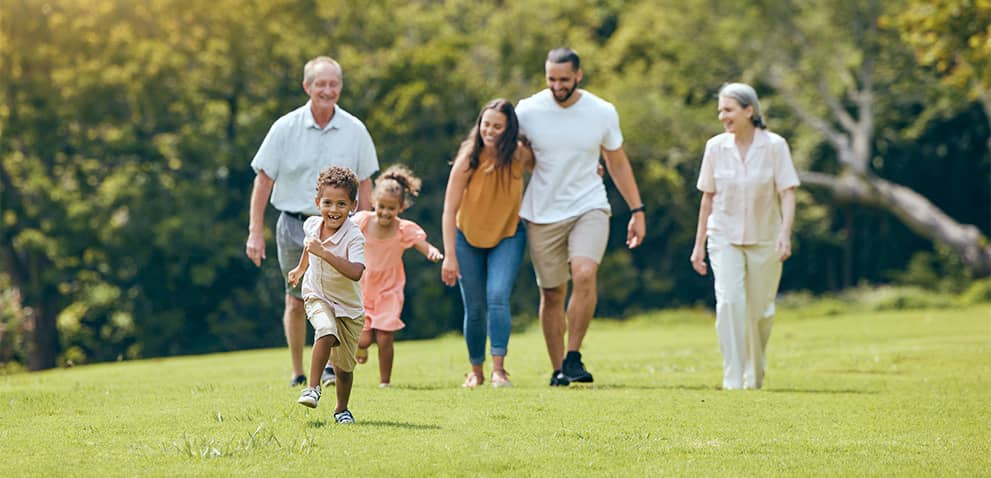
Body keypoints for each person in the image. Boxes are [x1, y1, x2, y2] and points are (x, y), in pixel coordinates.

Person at [246, 56, 379, 388]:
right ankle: (297, 372)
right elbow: (263, 181)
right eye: (321, 84)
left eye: (334, 84)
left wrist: (366, 226)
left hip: (344, 227)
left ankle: (333, 369)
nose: (328, 90)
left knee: (339, 295)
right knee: (296, 297)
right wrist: (254, 233)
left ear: (340, 88)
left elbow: (365, 184)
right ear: (307, 87)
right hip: (294, 225)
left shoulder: (355, 130)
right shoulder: (284, 128)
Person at [516, 47, 646, 386]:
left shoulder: (602, 111)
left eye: (564, 79)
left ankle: (573, 355)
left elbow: (617, 162)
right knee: (552, 293)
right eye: (551, 79)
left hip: (590, 204)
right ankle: (559, 369)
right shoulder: (527, 110)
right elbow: (516, 158)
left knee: (585, 273)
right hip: (542, 212)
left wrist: (637, 209)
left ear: (578, 75)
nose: (557, 86)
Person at [689, 82, 799, 390]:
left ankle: (755, 372)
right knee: (729, 302)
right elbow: (707, 199)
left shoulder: (775, 146)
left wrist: (784, 234)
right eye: (720, 111)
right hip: (723, 236)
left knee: (760, 311)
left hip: (766, 238)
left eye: (729, 110)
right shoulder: (715, 147)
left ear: (749, 111)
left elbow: (787, 193)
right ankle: (733, 377)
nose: (723, 116)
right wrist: (699, 246)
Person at [441, 99, 534, 388]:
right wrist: (449, 256)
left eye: (497, 126)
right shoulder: (468, 158)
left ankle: (499, 370)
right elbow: (449, 209)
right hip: (467, 238)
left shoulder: (519, 155)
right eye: (486, 124)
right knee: (475, 307)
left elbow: (554, 167)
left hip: (507, 235)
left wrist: (592, 170)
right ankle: (476, 371)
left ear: (509, 130)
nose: (490, 131)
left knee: (496, 296)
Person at [352, 165, 443, 387]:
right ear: (374, 201)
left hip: (389, 289)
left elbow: (421, 244)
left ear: (400, 207)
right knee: (363, 338)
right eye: (381, 206)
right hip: (363, 286)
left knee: (385, 335)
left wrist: (431, 251)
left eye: (391, 208)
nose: (384, 212)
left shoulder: (403, 229)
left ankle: (385, 381)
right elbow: (343, 235)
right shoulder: (363, 221)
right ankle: (361, 347)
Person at [287, 166, 365, 424]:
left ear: (353, 205)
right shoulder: (311, 225)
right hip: (317, 294)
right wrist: (300, 269)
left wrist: (325, 254)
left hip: (349, 308)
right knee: (325, 331)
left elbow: (356, 272)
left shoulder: (354, 236)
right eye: (328, 203)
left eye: (341, 204)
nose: (334, 210)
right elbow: (310, 247)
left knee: (344, 368)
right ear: (317, 202)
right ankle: (312, 387)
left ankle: (342, 409)